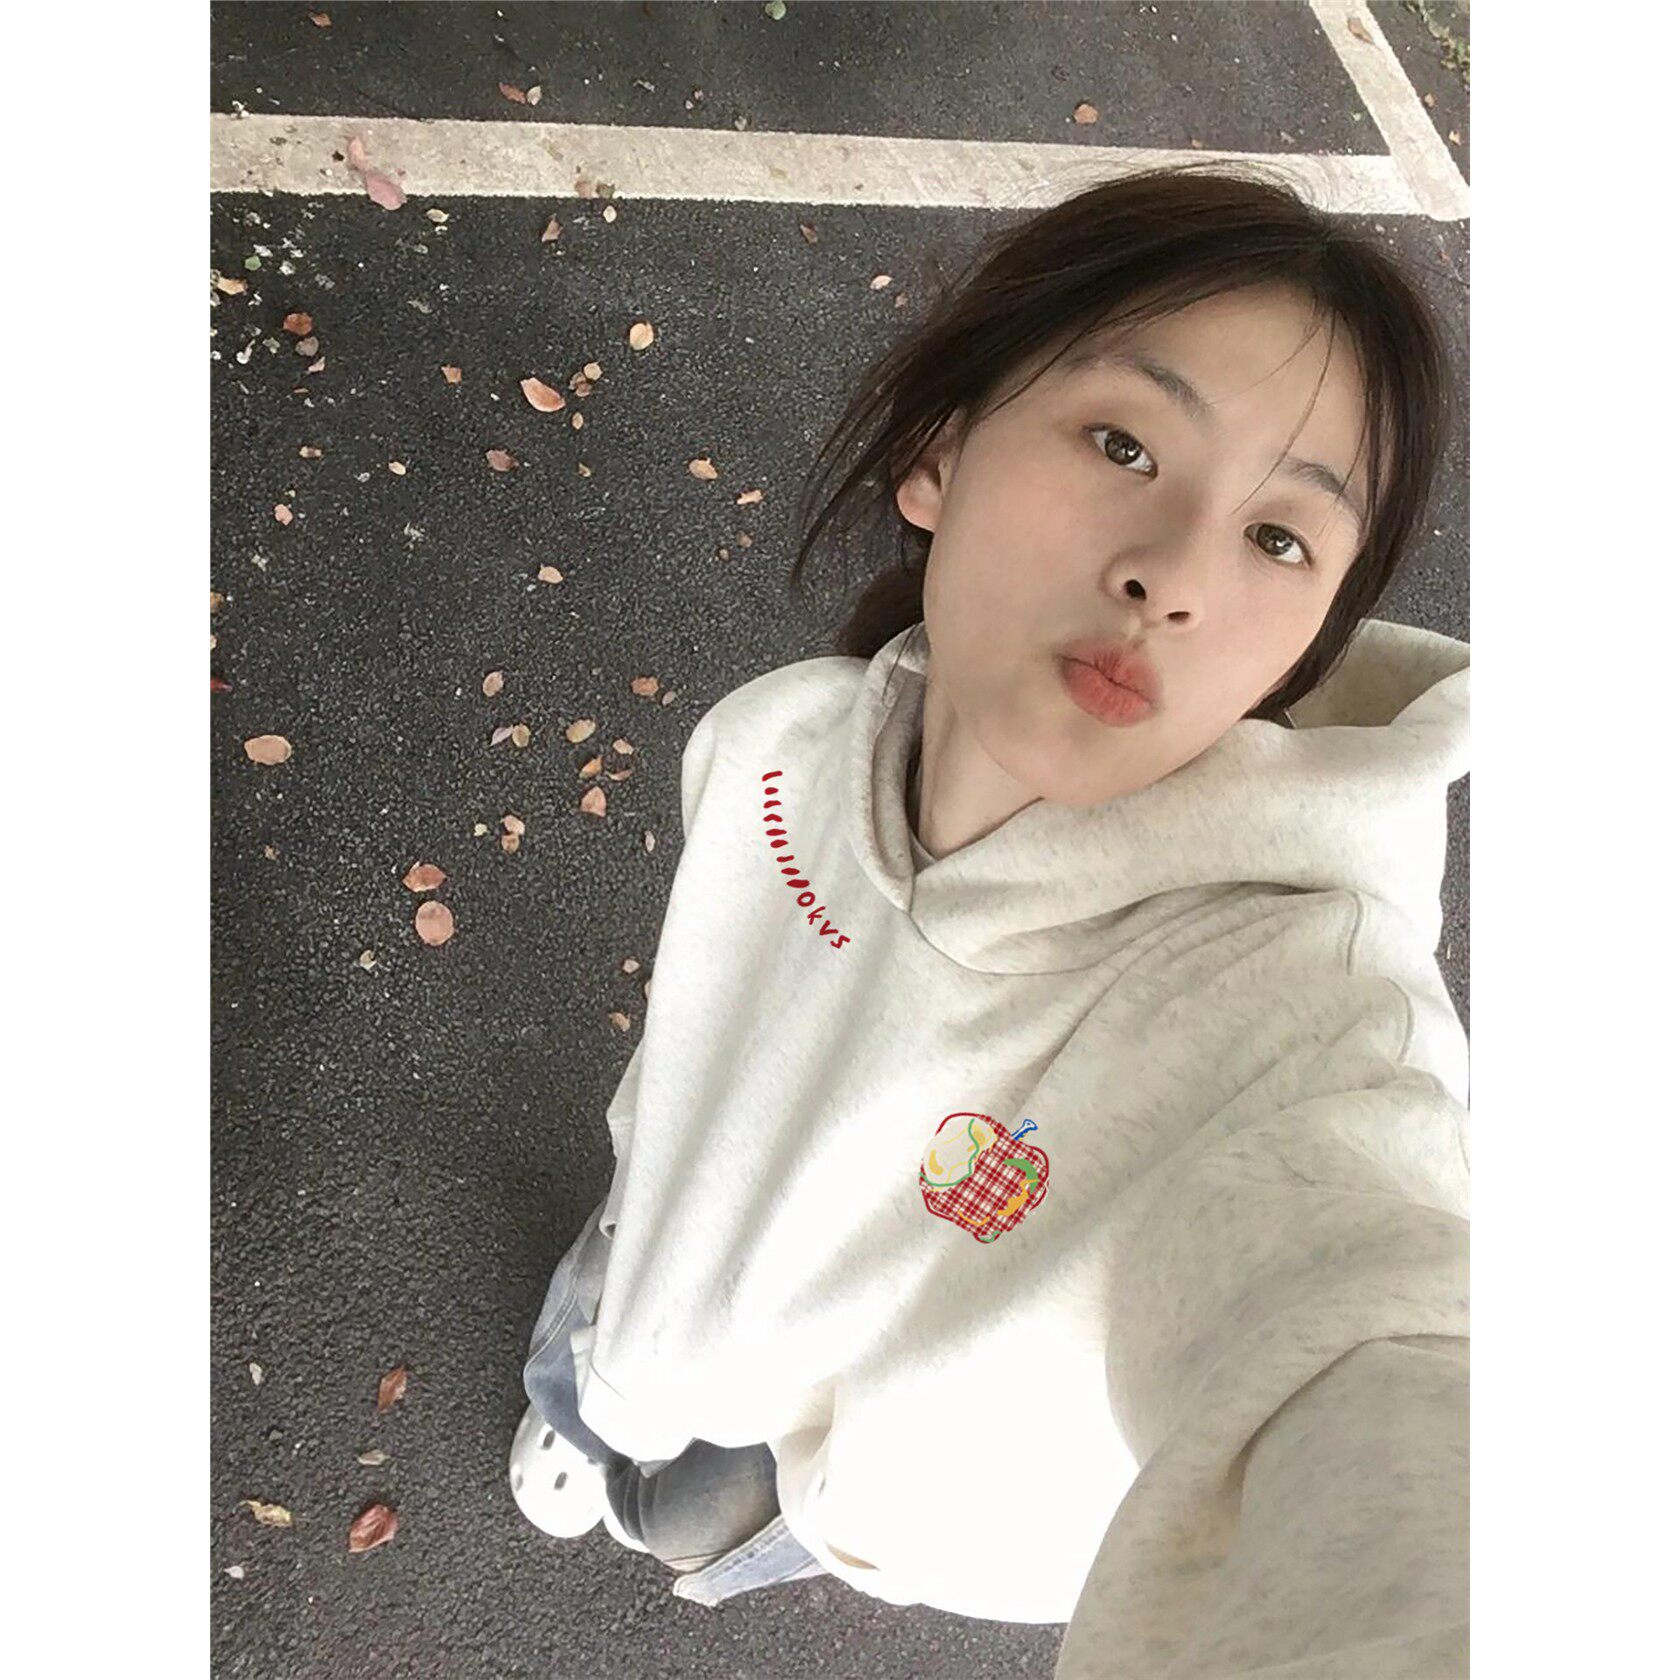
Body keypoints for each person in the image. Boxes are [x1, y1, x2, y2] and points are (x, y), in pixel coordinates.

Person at [511, 160, 1469, 1675]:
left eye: (1281, 540)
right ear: (939, 454)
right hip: (664, 1255)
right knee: (601, 1382)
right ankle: (593, 1403)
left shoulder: (1288, 999)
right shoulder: (779, 744)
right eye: (1124, 443)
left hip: (858, 1482)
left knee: (687, 1522)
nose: (1173, 576)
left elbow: (1362, 1307)